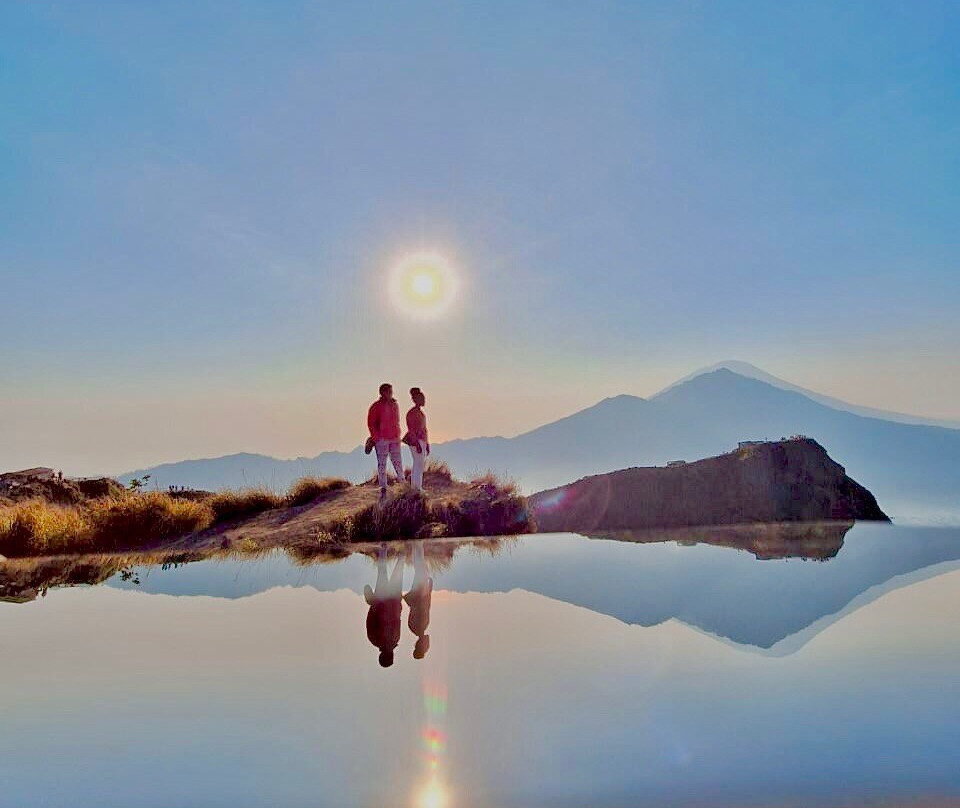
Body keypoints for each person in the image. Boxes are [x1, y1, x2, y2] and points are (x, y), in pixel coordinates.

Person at [364, 544, 405, 668]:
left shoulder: (393, 639)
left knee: (396, 569)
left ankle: (400, 544)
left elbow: (396, 619)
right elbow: (370, 619)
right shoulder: (376, 640)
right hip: (385, 600)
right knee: (384, 571)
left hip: (389, 600)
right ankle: (387, 544)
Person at [367, 382, 404, 498]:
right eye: (389, 391)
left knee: (397, 461)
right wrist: (376, 438)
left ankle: (402, 482)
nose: (391, 393)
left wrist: (398, 434)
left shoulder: (395, 405)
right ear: (382, 392)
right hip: (382, 439)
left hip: (394, 438)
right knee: (382, 464)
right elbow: (371, 423)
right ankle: (383, 487)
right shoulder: (376, 406)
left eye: (391, 391)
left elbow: (397, 421)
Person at [403, 540, 433, 660]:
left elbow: (424, 606)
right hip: (418, 593)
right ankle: (416, 544)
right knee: (419, 568)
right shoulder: (414, 628)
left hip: (420, 593)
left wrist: (428, 590)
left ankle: (418, 543)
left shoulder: (421, 626)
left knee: (420, 568)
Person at [404, 387, 430, 492]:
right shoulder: (412, 413)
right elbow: (411, 430)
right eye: (422, 398)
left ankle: (415, 487)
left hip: (421, 440)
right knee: (419, 464)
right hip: (416, 441)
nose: (424, 401)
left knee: (418, 463)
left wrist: (427, 443)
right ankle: (417, 488)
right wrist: (417, 444)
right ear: (416, 399)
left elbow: (424, 429)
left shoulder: (420, 413)